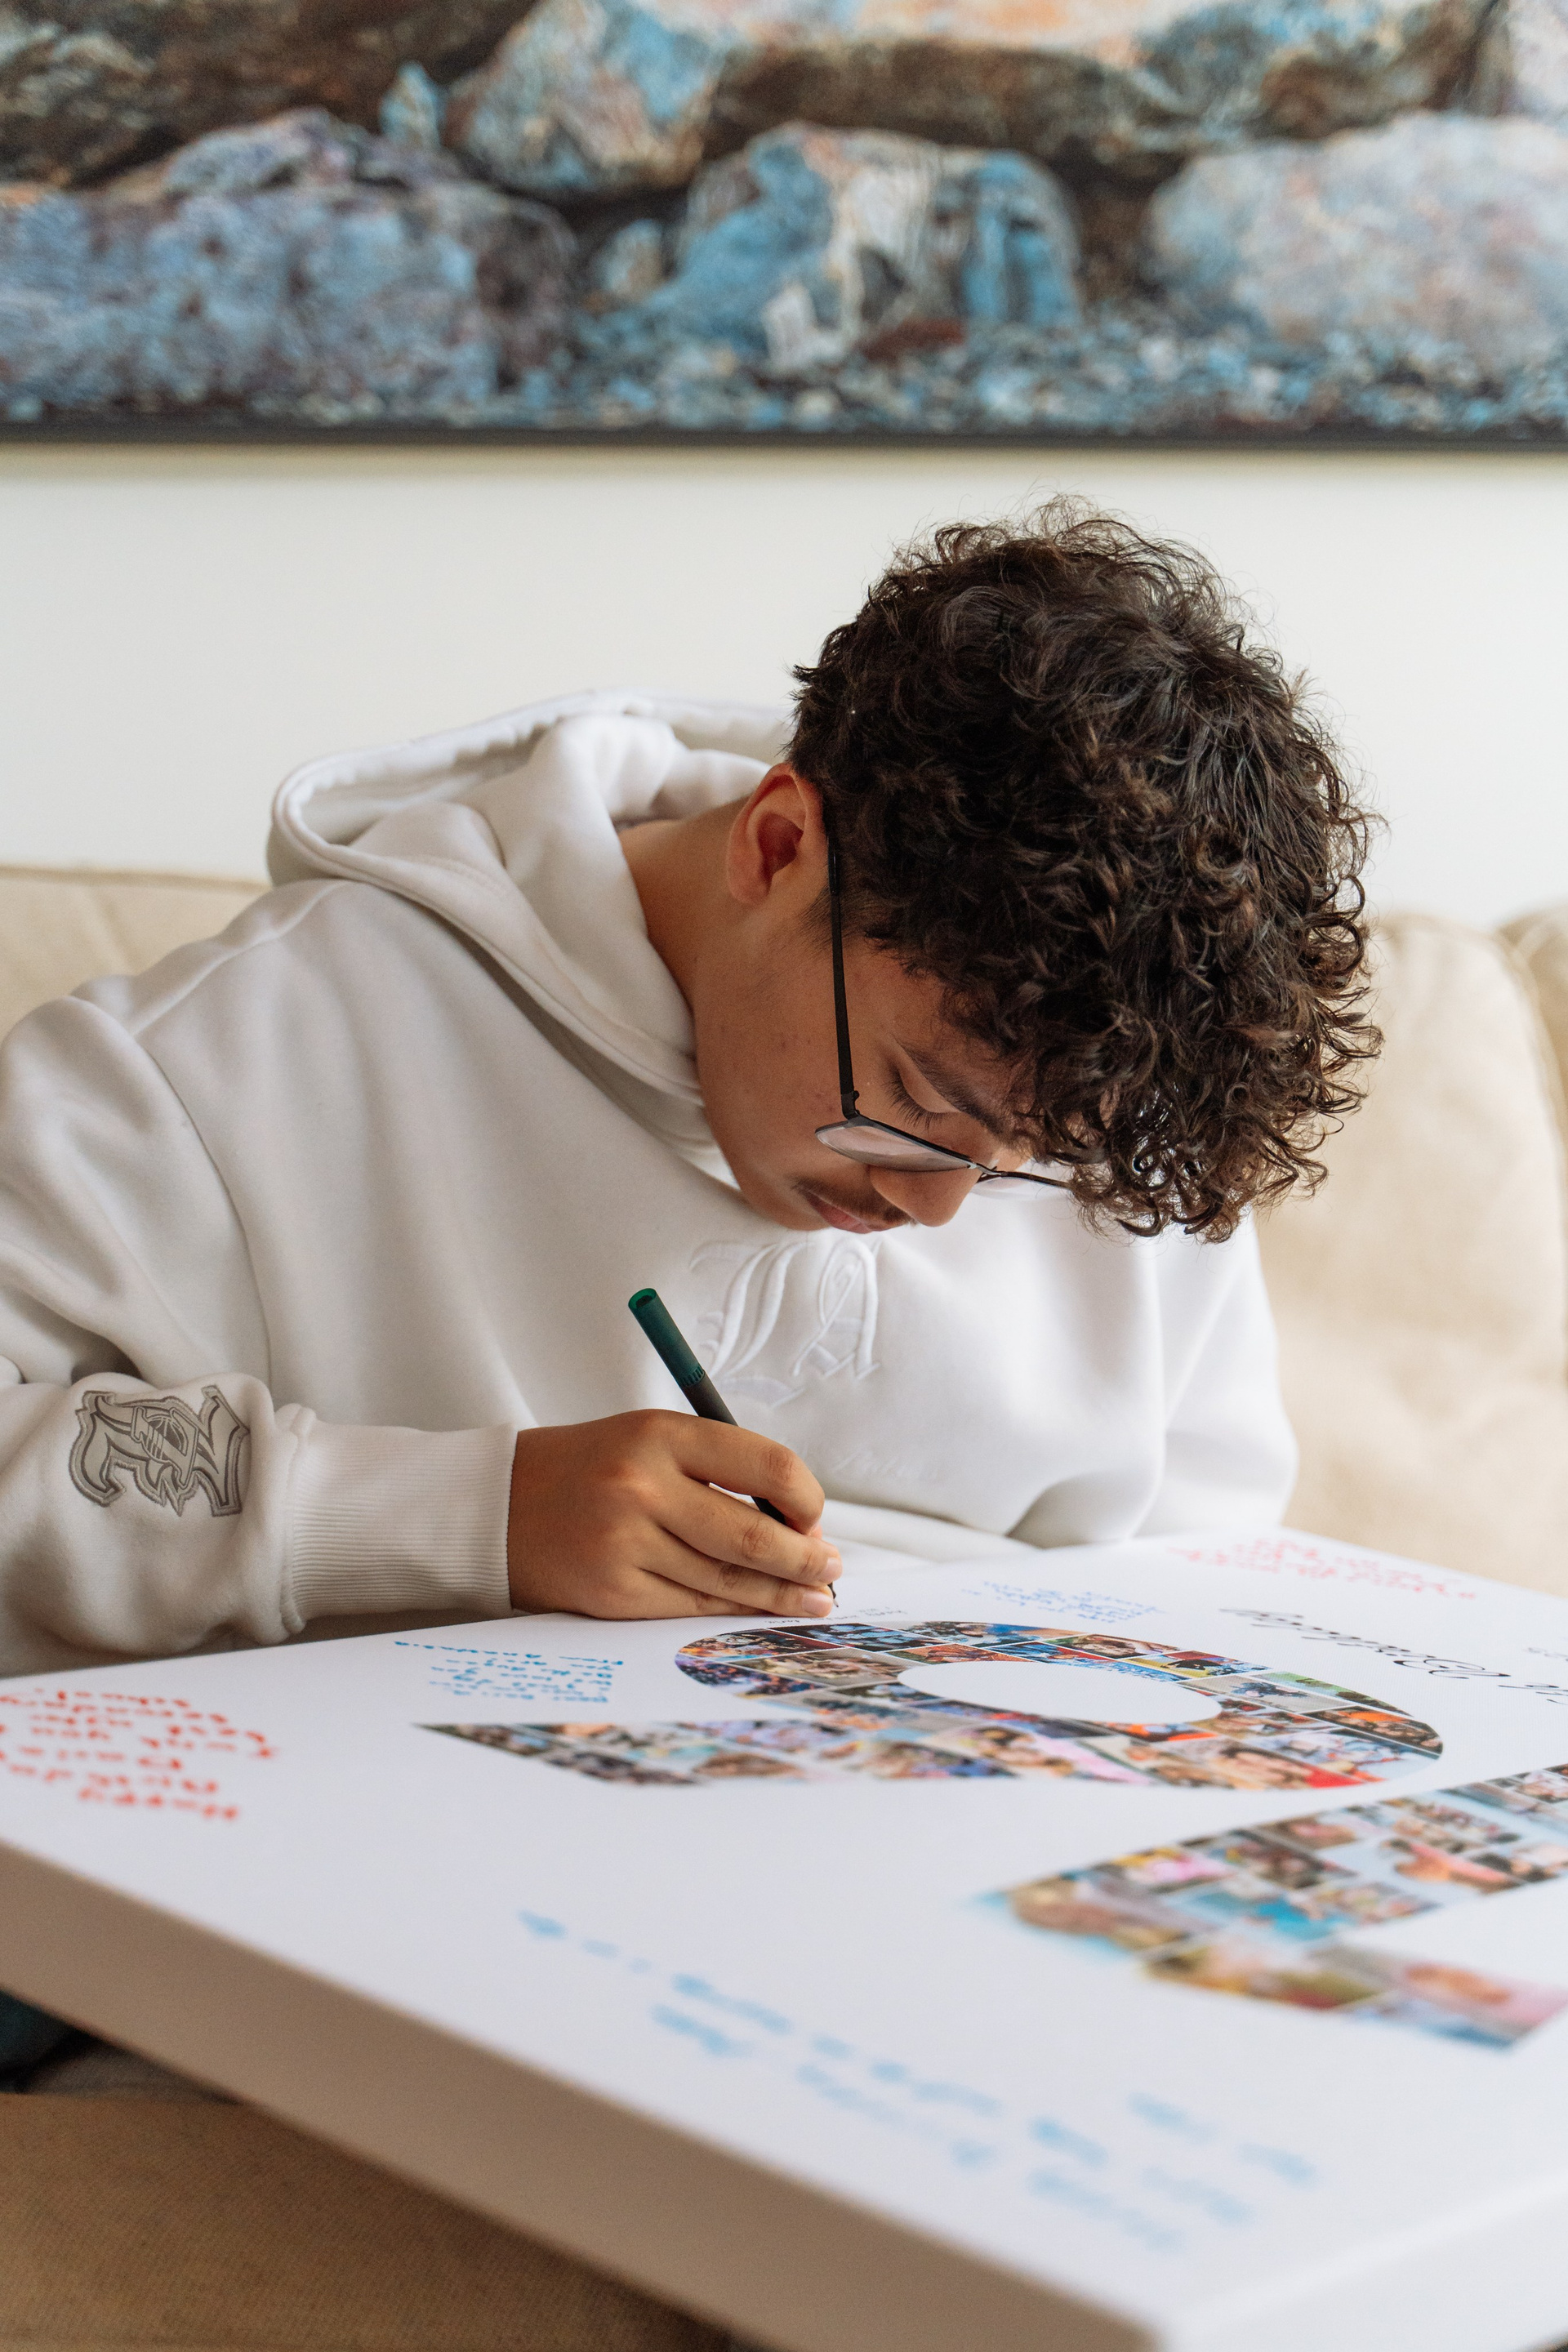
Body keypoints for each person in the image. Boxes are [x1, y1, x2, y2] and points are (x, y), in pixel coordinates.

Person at [0, 503, 1376, 1675]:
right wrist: (468, 1517)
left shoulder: (1108, 1090)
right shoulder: (250, 1045)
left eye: (1029, 1155)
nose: (938, 1207)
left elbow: (1204, 1570)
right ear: (776, 847)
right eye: (916, 1101)